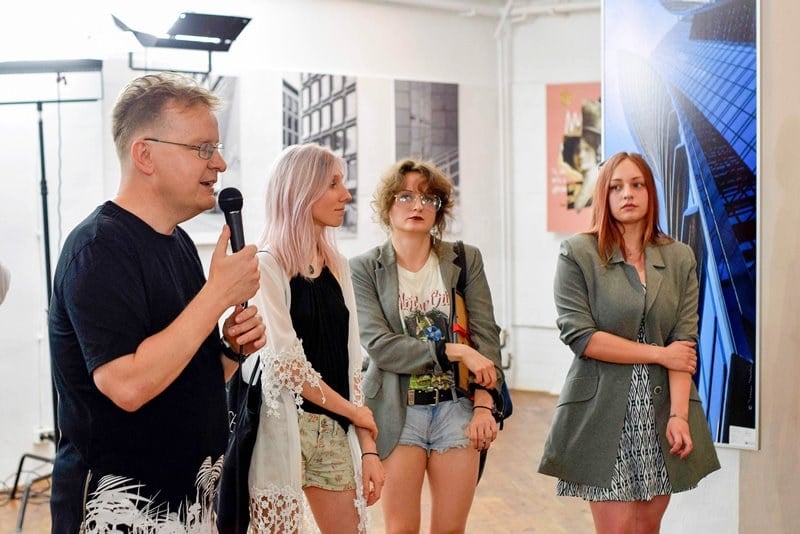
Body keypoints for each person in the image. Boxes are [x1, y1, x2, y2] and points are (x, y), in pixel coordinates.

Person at [48, 72, 267, 533]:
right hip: (121, 514)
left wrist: (229, 350)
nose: (219, 163)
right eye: (202, 148)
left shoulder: (178, 243)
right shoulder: (98, 249)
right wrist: (216, 295)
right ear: (145, 154)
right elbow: (128, 386)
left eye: (216, 147)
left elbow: (186, 378)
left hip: (189, 505)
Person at [538, 151, 720, 533]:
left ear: (650, 192)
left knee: (648, 525)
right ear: (603, 195)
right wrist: (660, 354)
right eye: (616, 187)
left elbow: (683, 344)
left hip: (660, 407)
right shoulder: (578, 253)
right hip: (602, 408)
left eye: (637, 185)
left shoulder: (679, 257)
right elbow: (582, 337)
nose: (628, 194)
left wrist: (679, 416)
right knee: (618, 527)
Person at [349, 159, 503, 533]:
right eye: (405, 196)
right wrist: (454, 351)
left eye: (428, 198)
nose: (417, 205)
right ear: (387, 205)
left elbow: (486, 338)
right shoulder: (364, 268)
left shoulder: (465, 259)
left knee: (450, 529)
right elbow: (381, 347)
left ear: (439, 210)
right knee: (401, 529)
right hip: (396, 410)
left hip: (457, 409)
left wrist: (484, 406)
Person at [245, 143, 384, 533]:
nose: (346, 195)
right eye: (333, 184)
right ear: (301, 191)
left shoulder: (339, 265)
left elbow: (352, 364)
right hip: (279, 432)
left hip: (333, 429)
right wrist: (353, 412)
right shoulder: (266, 265)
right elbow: (287, 365)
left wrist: (367, 447)